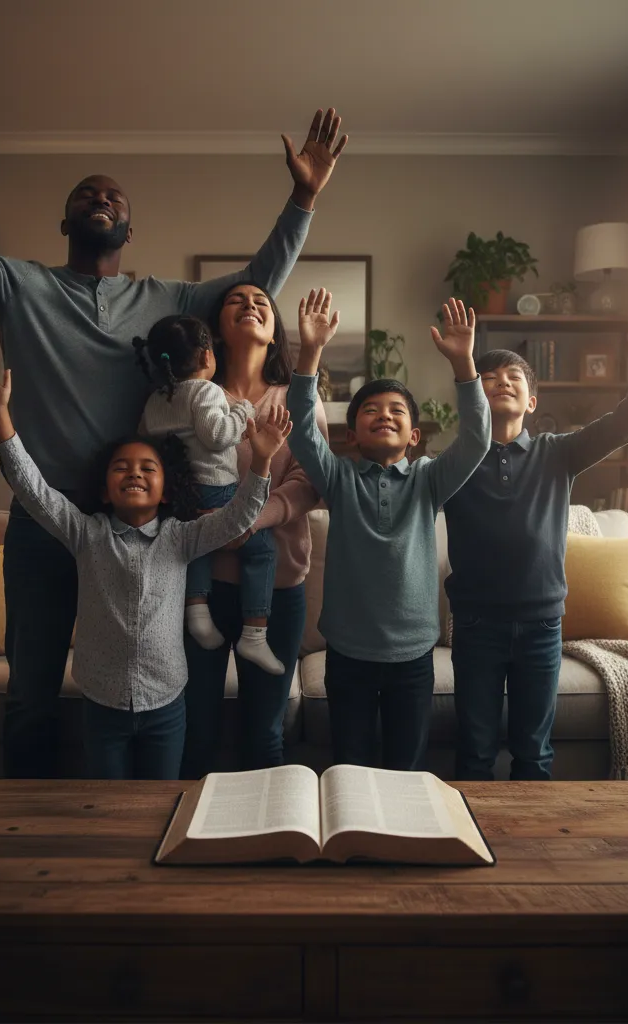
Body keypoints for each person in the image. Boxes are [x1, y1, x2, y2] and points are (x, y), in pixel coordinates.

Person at [0, 18, 347, 778]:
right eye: (86, 192)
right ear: (69, 221)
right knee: (30, 696)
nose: (101, 196)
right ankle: (22, 839)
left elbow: (257, 282)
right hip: (45, 525)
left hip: (140, 531)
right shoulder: (17, 286)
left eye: (113, 194)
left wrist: (303, 199)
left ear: (128, 224)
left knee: (143, 695)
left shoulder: (166, 301)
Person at [0, 354, 291, 779]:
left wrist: (261, 462)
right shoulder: (84, 533)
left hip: (167, 703)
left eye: (147, 468)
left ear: (166, 492)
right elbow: (32, 489)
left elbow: (238, 518)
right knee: (106, 806)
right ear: (103, 489)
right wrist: (0, 416)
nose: (134, 473)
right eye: (122, 467)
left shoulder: (182, 536)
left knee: (159, 804)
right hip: (102, 703)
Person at [444, 281, 628, 782]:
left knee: (534, 754)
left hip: (542, 626)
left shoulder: (558, 454)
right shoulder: (454, 463)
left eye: (513, 376)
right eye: (489, 377)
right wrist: (462, 365)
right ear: (472, 397)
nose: (501, 382)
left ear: (534, 401)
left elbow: (627, 420)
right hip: (476, 627)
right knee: (474, 751)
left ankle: (532, 853)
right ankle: (471, 849)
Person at [286, 291, 491, 770]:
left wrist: (464, 363)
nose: (385, 415)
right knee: (349, 765)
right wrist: (310, 352)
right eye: (371, 411)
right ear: (351, 434)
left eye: (397, 411)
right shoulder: (337, 479)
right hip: (347, 653)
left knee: (406, 766)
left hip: (413, 655)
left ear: (414, 437)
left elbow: (478, 437)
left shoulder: (429, 479)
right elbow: (300, 428)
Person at [179, 281, 330, 778]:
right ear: (216, 331)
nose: (249, 306)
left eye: (261, 302)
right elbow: (161, 468)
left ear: (274, 332)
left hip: (279, 587)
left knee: (265, 731)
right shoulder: (191, 396)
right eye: (235, 301)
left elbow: (312, 480)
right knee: (195, 726)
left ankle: (270, 842)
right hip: (197, 586)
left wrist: (251, 520)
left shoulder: (297, 399)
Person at [137, 314, 282, 674]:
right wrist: (243, 410)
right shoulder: (206, 390)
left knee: (194, 547)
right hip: (217, 487)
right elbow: (217, 436)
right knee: (262, 548)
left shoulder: (155, 400)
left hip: (177, 493)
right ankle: (254, 634)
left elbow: (144, 441)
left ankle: (197, 611)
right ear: (206, 356)